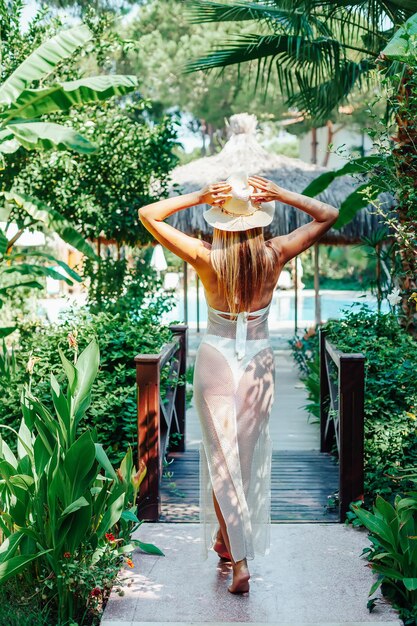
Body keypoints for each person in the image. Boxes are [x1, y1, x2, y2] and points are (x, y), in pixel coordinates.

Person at [138, 172, 338, 595]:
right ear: (259, 220)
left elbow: (148, 215)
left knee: (221, 460)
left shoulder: (207, 259)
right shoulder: (276, 253)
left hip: (215, 360)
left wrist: (195, 195)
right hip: (258, 365)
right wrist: (282, 194)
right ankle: (227, 544)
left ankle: (240, 561)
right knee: (239, 465)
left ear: (220, 222)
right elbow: (329, 214)